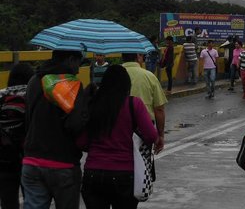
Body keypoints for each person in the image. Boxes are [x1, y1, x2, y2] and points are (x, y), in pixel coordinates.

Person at [77, 65, 158, 209]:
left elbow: (82, 142)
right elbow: (151, 136)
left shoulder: (93, 103)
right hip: (125, 175)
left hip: (93, 174)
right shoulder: (134, 104)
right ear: (127, 84)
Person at [22, 50, 90, 209]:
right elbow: (75, 125)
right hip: (63, 163)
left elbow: (28, 118)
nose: (79, 69)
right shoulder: (73, 85)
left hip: (32, 160)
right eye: (78, 63)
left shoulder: (34, 80)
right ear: (71, 59)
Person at [0, 63, 34, 209]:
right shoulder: (33, 95)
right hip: (28, 157)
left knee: (8, 202)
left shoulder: (1, 96)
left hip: (4, 158)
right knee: (32, 201)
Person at [122, 53, 167, 155]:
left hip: (118, 128)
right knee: (143, 166)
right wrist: (160, 135)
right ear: (138, 57)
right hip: (144, 128)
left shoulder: (113, 76)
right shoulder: (149, 76)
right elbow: (159, 109)